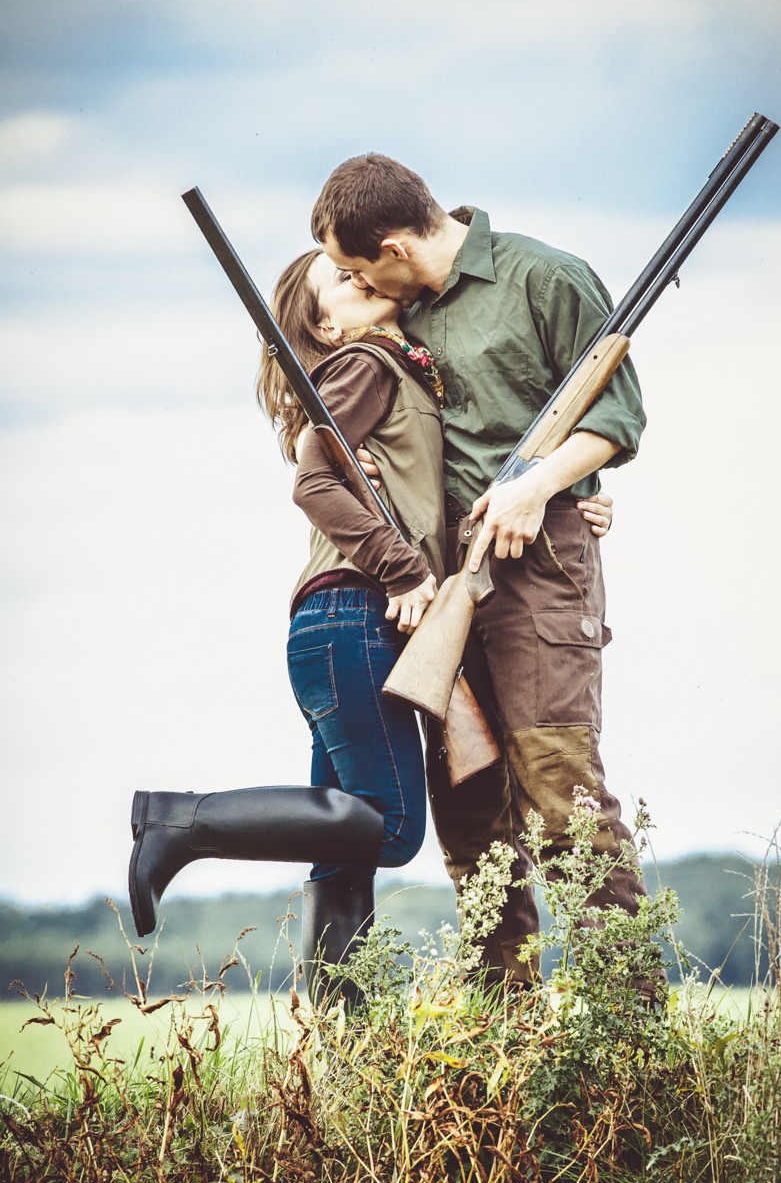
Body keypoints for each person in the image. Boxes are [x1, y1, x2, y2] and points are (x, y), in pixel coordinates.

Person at [128, 245, 615, 1002]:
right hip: (351, 617)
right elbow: (313, 481)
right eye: (341, 282)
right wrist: (406, 571)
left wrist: (563, 496)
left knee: (344, 849)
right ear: (323, 327)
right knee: (389, 830)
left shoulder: (397, 368)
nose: (357, 279)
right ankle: (182, 824)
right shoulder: (366, 366)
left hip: (347, 626)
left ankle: (342, 1035)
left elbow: (439, 483)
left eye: (357, 271)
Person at [311, 153, 651, 987]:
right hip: (441, 590)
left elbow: (617, 415)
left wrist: (543, 490)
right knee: (470, 819)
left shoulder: (546, 278)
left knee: (560, 791)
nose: (358, 287)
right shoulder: (393, 318)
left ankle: (631, 1036)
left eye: (358, 270)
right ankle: (506, 1036)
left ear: (392, 245)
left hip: (539, 571)